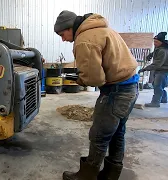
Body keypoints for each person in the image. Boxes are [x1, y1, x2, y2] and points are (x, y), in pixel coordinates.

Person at [54, 11, 139, 180]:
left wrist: (78, 79)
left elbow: (94, 78)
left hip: (115, 91)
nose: (63, 39)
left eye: (62, 34)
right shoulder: (103, 28)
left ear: (70, 27)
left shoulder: (85, 39)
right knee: (117, 133)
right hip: (131, 86)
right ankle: (111, 173)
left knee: (99, 135)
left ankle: (86, 176)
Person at [139, 32, 168, 107]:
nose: (154, 43)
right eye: (154, 41)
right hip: (159, 69)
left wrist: (145, 69)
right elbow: (156, 51)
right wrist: (150, 55)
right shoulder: (159, 47)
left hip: (163, 70)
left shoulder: (163, 51)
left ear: (161, 42)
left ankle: (155, 102)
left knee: (158, 86)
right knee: (159, 85)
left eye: (156, 42)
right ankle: (164, 98)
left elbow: (157, 64)